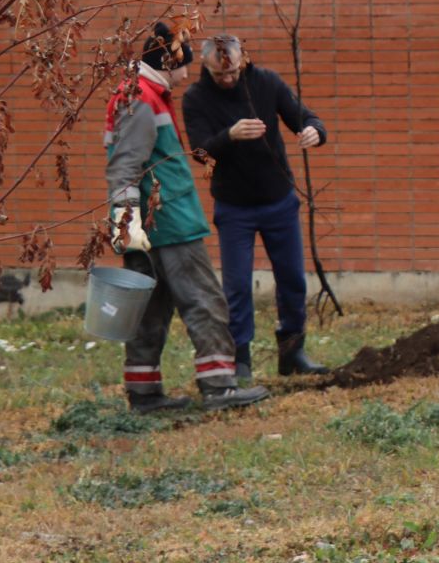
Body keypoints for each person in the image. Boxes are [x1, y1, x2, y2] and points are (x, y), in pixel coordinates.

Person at [103, 22, 269, 412]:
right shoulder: (140, 98)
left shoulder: (140, 95)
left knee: (150, 308)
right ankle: (220, 386)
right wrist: (125, 227)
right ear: (167, 61)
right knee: (205, 300)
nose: (184, 76)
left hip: (152, 223)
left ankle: (144, 393)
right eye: (182, 67)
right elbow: (126, 168)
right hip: (169, 221)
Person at [181, 34, 330, 384]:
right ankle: (240, 359)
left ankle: (292, 352)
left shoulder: (266, 82)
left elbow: (304, 117)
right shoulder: (195, 99)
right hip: (234, 207)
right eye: (220, 74)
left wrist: (313, 131)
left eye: (233, 71)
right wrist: (229, 135)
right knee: (236, 285)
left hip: (279, 200)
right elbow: (201, 152)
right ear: (206, 68)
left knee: (292, 278)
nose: (228, 79)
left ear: (243, 60)